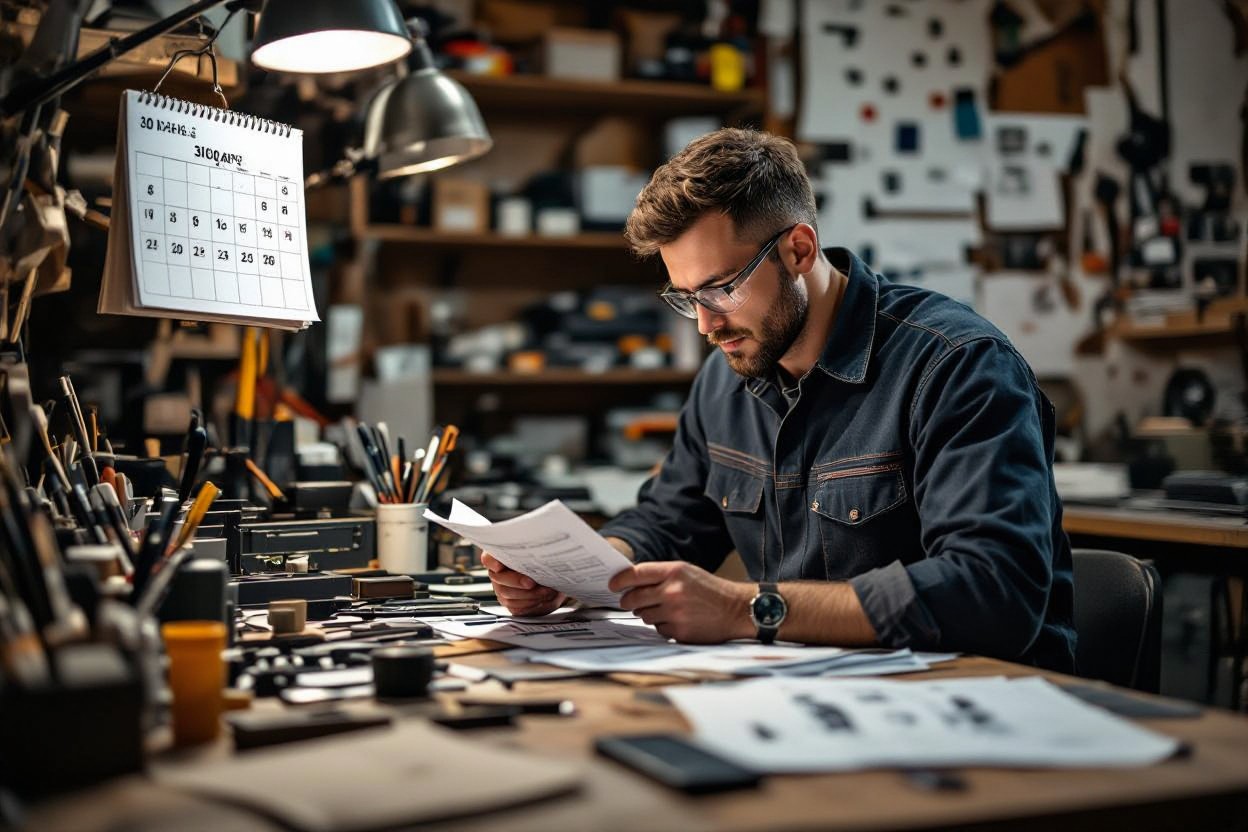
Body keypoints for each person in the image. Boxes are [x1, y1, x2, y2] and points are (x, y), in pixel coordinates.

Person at [483, 128, 1075, 672]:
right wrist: (573, 573)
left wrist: (748, 610)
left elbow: (994, 592)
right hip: (814, 693)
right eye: (686, 297)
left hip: (975, 700)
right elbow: (670, 519)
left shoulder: (955, 365)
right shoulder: (727, 375)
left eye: (721, 289)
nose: (704, 326)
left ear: (798, 249)